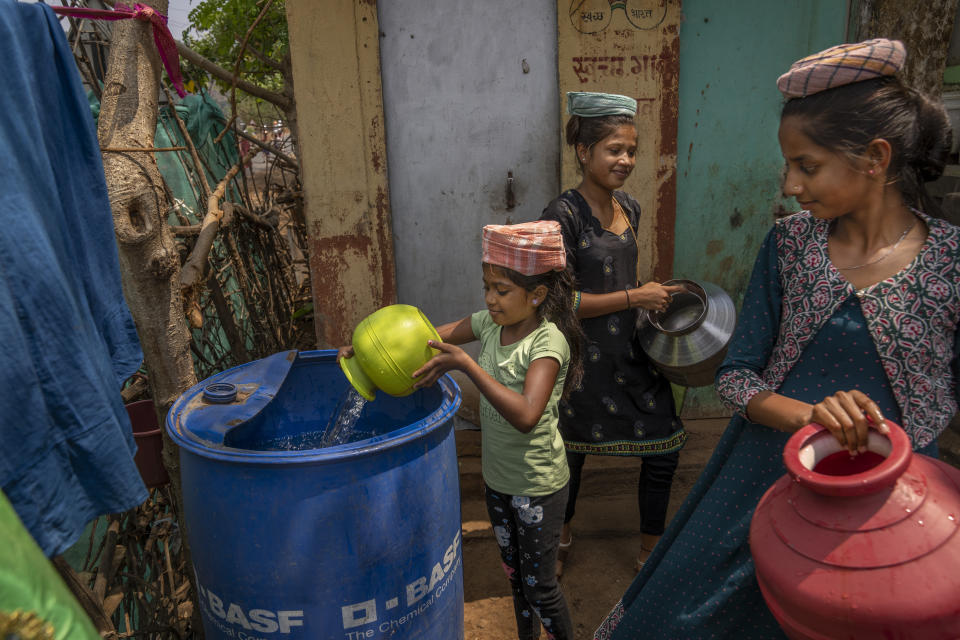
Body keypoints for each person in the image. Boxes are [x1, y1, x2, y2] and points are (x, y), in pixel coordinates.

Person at [593, 38, 959, 639]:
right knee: (684, 614)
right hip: (760, 475)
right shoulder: (790, 247)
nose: (789, 185)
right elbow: (736, 377)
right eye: (788, 165)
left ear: (875, 157)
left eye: (807, 166)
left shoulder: (952, 263)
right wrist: (810, 416)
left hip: (897, 507)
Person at [410, 220, 583, 640]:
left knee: (540, 588)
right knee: (516, 579)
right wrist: (366, 347)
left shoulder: (546, 343)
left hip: (537, 486)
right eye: (487, 287)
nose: (490, 299)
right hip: (499, 482)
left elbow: (526, 416)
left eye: (502, 291)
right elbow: (428, 338)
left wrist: (467, 364)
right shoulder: (490, 326)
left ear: (537, 294)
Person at [539, 91, 687, 577]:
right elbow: (558, 303)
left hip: (633, 352)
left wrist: (652, 297)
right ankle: (560, 536)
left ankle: (650, 549)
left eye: (631, 150)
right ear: (584, 151)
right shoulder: (562, 215)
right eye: (613, 150)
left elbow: (626, 282)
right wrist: (634, 297)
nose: (625, 160)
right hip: (583, 359)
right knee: (573, 455)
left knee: (665, 445)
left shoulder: (631, 207)